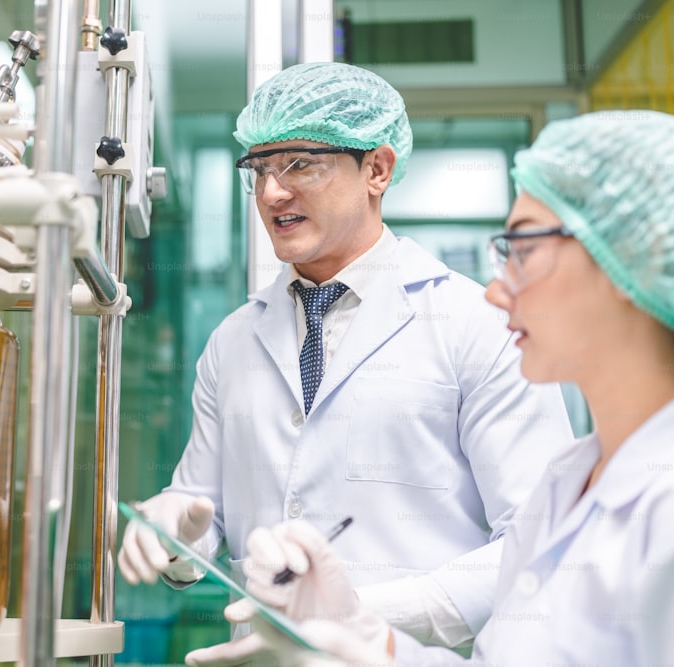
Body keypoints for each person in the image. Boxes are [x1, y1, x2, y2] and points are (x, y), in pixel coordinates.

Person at [117, 61, 575, 662]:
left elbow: (542, 541)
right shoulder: (232, 343)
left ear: (377, 170)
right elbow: (204, 517)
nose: (272, 192)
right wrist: (175, 536)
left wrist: (365, 619)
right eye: (257, 169)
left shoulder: (478, 327)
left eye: (300, 164)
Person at [231, 109, 674, 665]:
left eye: (526, 252)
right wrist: (375, 643)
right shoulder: (571, 479)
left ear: (633, 262)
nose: (494, 293)